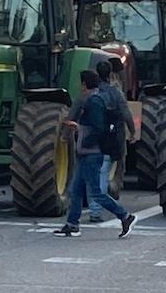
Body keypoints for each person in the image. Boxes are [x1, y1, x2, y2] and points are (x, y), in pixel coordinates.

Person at [54, 70, 137, 238]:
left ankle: (125, 216)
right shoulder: (95, 98)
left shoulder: (94, 102)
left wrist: (78, 129)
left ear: (84, 84)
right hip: (86, 152)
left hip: (93, 153)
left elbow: (98, 128)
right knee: (75, 190)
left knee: (96, 193)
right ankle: (72, 224)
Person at [87, 61, 136, 222]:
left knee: (92, 173)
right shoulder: (115, 93)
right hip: (108, 139)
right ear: (111, 74)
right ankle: (95, 211)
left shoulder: (90, 92)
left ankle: (92, 208)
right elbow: (126, 113)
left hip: (90, 138)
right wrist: (133, 132)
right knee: (102, 173)